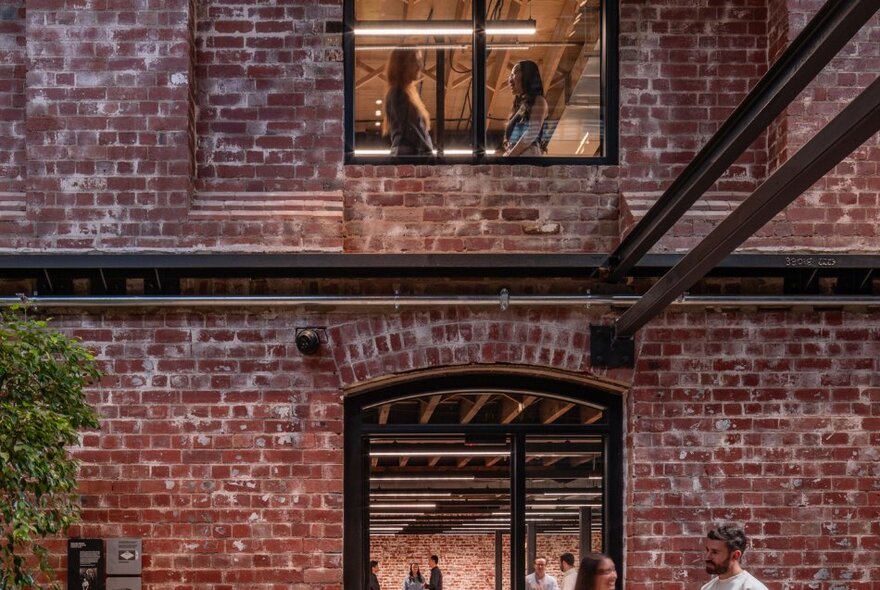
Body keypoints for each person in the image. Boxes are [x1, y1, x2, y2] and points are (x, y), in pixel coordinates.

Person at [383, 48, 434, 156]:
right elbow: (411, 130)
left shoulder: (403, 92)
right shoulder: (399, 92)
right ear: (403, 64)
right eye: (415, 61)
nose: (420, 66)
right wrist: (429, 153)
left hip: (409, 154)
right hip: (410, 155)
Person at [503, 60, 548, 157]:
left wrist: (510, 157)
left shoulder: (539, 100)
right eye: (510, 75)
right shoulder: (520, 106)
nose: (510, 79)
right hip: (518, 157)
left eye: (515, 73)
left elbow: (531, 133)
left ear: (527, 75)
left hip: (527, 157)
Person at [702, 525, 769, 590]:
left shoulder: (752, 587)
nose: (707, 557)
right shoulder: (707, 588)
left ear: (735, 555)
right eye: (707, 550)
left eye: (715, 552)